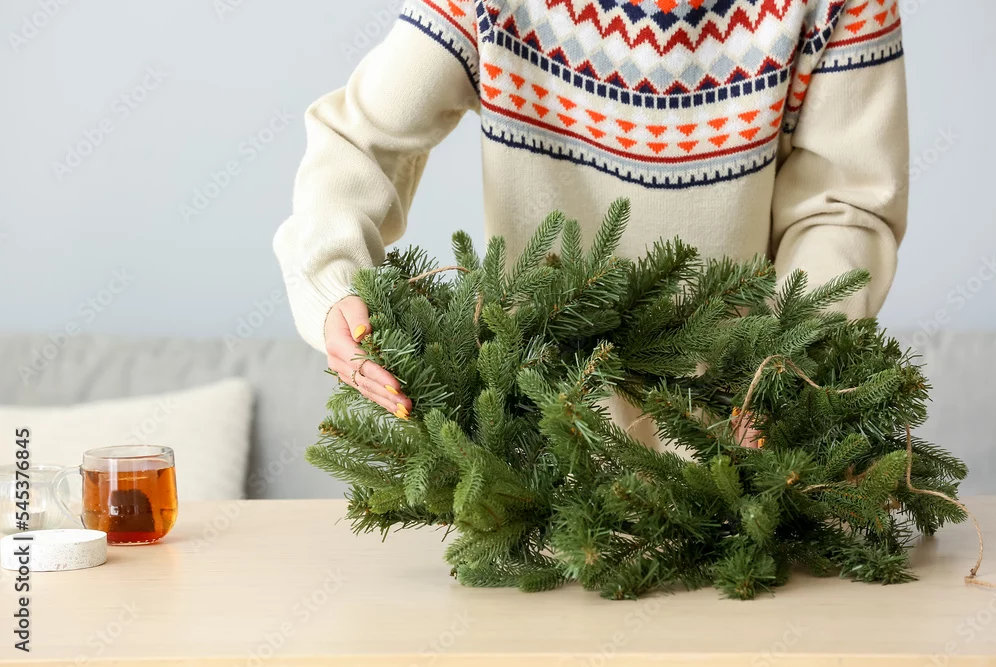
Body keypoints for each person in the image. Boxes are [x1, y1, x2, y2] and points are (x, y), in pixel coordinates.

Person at [274, 0, 908, 446]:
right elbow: (360, 139)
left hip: (740, 449)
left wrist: (782, 376)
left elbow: (844, 210)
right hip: (535, 459)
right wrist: (335, 284)